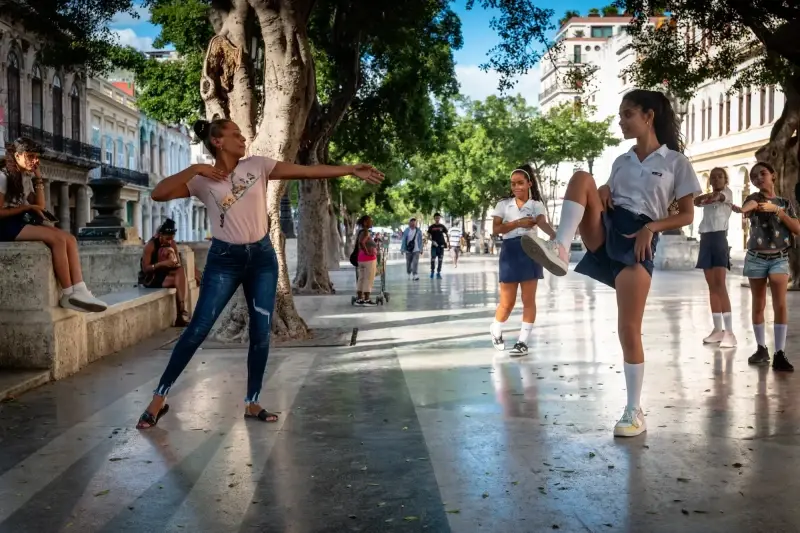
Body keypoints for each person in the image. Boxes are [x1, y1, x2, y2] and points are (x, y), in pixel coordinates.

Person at [135, 118, 383, 429]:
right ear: (218, 142)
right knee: (197, 329)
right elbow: (158, 193)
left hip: (262, 259)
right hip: (224, 260)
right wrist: (195, 169)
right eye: (236, 134)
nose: (243, 138)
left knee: (260, 332)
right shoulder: (203, 180)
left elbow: (307, 171)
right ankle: (159, 399)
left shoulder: (258, 166)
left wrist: (348, 169)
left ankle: (252, 402)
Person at [520, 89, 702, 437]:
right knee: (581, 178)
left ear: (648, 117)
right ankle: (560, 247)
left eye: (627, 114)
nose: (621, 120)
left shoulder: (675, 162)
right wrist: (602, 191)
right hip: (607, 228)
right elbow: (605, 191)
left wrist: (651, 227)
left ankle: (634, 411)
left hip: (638, 240)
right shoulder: (622, 160)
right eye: (620, 114)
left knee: (627, 329)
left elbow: (687, 214)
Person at [0, 137, 106, 313]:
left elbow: (40, 205)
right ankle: (68, 293)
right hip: (4, 224)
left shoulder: (24, 176)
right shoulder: (3, 176)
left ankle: (80, 289)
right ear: (17, 155)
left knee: (69, 239)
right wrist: (26, 208)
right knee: (56, 239)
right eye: (30, 156)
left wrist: (38, 178)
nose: (35, 160)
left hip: (18, 220)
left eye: (36, 157)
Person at [490, 164, 556, 356]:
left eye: (520, 183)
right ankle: (496, 328)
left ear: (529, 183)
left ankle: (522, 342)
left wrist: (555, 236)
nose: (516, 187)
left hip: (530, 251)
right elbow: (496, 229)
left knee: (529, 300)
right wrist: (518, 223)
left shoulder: (536, 205)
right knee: (507, 303)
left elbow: (542, 222)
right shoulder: (503, 205)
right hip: (510, 252)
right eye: (513, 184)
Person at [741, 162, 800, 371]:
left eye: (762, 173)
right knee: (758, 303)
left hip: (779, 258)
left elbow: (797, 228)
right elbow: (747, 208)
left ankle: (780, 353)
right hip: (756, 257)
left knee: (780, 304)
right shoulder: (753, 199)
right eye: (754, 177)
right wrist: (743, 208)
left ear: (773, 175)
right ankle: (761, 348)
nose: (758, 178)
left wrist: (778, 211)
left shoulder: (784, 203)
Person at [694, 168, 740, 348]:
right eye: (713, 177)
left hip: (719, 238)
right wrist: (703, 198)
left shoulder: (727, 194)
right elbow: (696, 201)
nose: (716, 179)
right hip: (705, 238)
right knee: (711, 285)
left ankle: (729, 332)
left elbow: (715, 199)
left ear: (725, 179)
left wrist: (706, 198)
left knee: (720, 285)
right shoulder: (709, 195)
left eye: (720, 176)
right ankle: (717, 329)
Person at [139, 218, 190, 327]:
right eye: (167, 239)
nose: (169, 241)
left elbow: (179, 264)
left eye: (172, 239)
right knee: (179, 279)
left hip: (167, 274)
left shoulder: (172, 244)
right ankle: (181, 312)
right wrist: (162, 264)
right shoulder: (151, 245)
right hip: (152, 277)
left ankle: (181, 311)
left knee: (180, 271)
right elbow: (145, 269)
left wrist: (173, 263)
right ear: (160, 235)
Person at [355, 215, 379, 305]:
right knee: (369, 278)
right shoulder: (365, 232)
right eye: (370, 221)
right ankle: (367, 299)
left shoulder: (360, 232)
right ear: (365, 222)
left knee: (361, 278)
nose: (371, 222)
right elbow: (362, 242)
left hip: (361, 259)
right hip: (368, 259)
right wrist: (368, 252)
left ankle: (359, 298)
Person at [427, 213, 448, 278]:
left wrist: (447, 242)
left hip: (441, 246)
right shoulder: (431, 227)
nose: (437, 219)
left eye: (438, 218)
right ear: (434, 218)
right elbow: (428, 237)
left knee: (440, 259)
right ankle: (432, 272)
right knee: (433, 259)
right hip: (434, 246)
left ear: (439, 218)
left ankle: (438, 272)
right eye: (436, 218)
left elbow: (447, 234)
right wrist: (432, 241)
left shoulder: (442, 226)